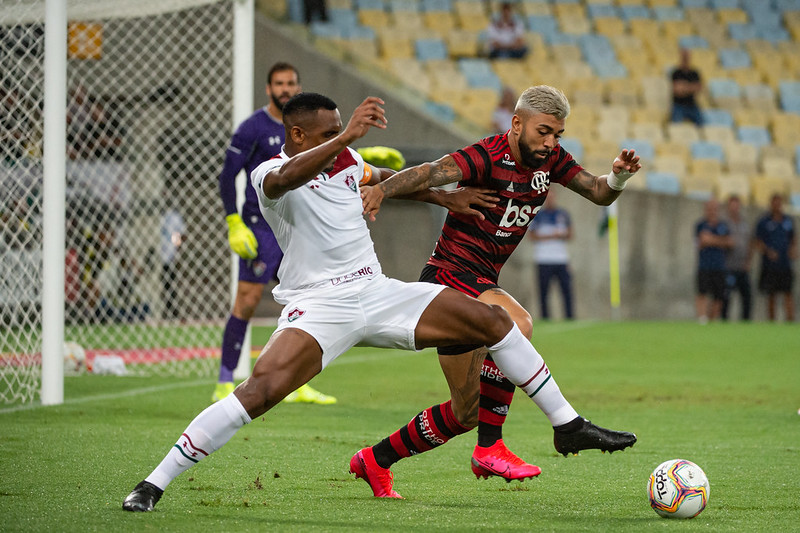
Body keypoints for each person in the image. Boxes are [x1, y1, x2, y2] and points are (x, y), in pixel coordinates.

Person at [122, 92, 636, 512]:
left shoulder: (346, 160)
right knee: (257, 392)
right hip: (320, 307)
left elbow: (380, 178)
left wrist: (442, 198)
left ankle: (567, 425)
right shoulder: (269, 173)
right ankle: (153, 482)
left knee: (496, 322)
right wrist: (348, 138)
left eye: (340, 129)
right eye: (328, 132)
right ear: (298, 135)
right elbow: (289, 179)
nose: (340, 140)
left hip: (378, 290)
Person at [356, 85, 640, 497]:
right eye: (543, 132)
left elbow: (598, 192)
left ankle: (375, 460)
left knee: (464, 412)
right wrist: (382, 190)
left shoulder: (551, 161)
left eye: (557, 134)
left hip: (480, 283)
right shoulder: (487, 155)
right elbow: (432, 171)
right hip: (447, 277)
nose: (550, 142)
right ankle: (495, 446)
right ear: (517, 123)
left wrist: (619, 176)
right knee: (514, 324)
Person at [213, 62, 336, 405]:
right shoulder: (253, 128)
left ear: (299, 87)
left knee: (305, 302)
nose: (285, 89)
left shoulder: (306, 128)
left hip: (297, 225)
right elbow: (227, 176)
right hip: (260, 227)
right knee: (248, 301)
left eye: (291, 83)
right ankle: (225, 380)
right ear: (268, 89)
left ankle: (298, 383)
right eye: (279, 83)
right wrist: (233, 222)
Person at [528, 189, 574, 320]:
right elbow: (532, 236)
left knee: (566, 291)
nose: (550, 201)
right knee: (543, 292)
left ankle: (570, 317)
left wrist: (561, 235)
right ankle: (545, 317)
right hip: (543, 259)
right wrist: (551, 236)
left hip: (561, 259)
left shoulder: (563, 214)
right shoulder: (538, 215)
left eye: (552, 198)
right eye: (547, 198)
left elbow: (570, 235)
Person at [754, 193, 796, 322]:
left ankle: (790, 320)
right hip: (770, 265)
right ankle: (772, 321)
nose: (777, 205)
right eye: (775, 202)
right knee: (771, 294)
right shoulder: (764, 222)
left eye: (779, 203)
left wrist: (793, 250)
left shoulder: (788, 221)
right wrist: (768, 251)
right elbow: (757, 241)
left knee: (788, 293)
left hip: (785, 264)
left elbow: (793, 239)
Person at [695, 198, 732, 324]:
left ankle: (713, 319)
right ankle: (702, 318)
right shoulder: (700, 224)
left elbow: (730, 242)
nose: (712, 211)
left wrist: (711, 240)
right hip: (704, 264)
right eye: (710, 208)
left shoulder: (723, 225)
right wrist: (720, 241)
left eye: (714, 208)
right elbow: (702, 241)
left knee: (719, 295)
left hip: (720, 265)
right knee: (702, 292)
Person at [721, 194, 752, 321]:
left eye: (736, 205)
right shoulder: (723, 224)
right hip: (729, 266)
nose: (734, 208)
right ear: (728, 207)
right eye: (732, 206)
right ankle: (724, 321)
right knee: (726, 297)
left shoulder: (744, 224)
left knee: (747, 297)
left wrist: (748, 261)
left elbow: (750, 244)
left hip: (742, 267)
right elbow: (721, 241)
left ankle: (745, 322)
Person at [670, 48, 703, 126]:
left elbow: (699, 88)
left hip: (692, 104)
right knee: (676, 124)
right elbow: (677, 90)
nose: (685, 59)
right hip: (678, 105)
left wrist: (684, 87)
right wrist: (691, 87)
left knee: (702, 123)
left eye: (687, 57)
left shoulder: (694, 73)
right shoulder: (676, 73)